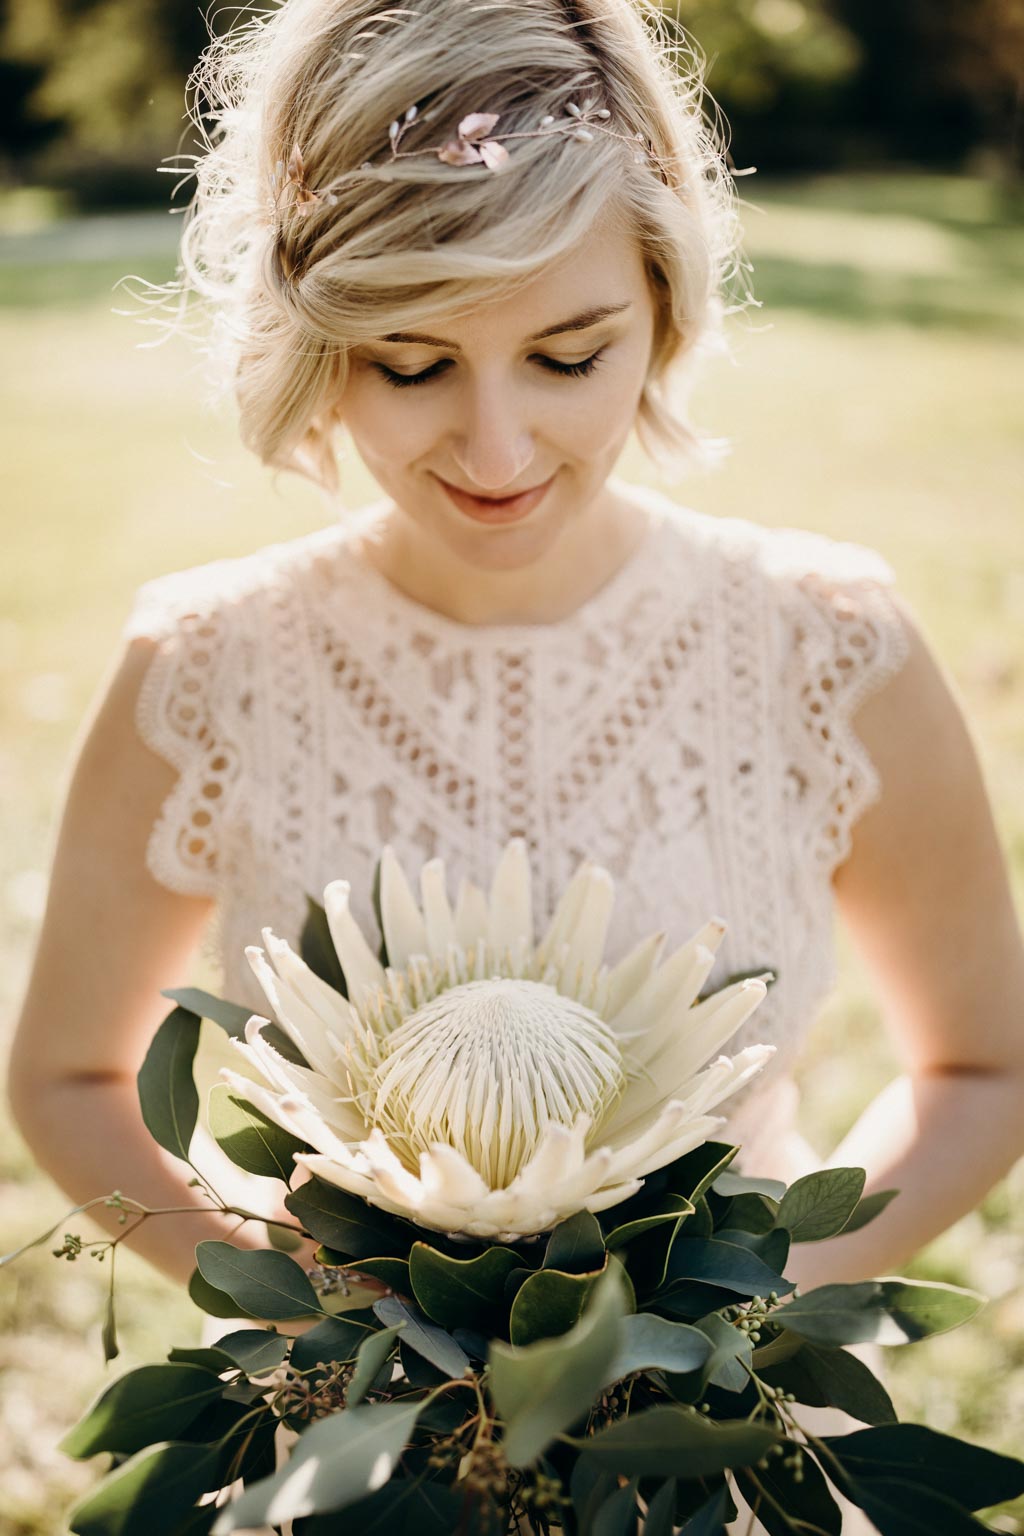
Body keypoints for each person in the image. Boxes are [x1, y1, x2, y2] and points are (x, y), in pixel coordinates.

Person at [7, 0, 1024, 1530]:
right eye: (410, 366)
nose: (495, 448)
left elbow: (983, 1062)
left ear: (664, 305)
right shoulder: (204, 667)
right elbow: (71, 1073)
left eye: (567, 353)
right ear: (312, 341)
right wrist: (335, 1329)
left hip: (720, 1459)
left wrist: (716, 1339)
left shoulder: (827, 646)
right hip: (349, 1458)